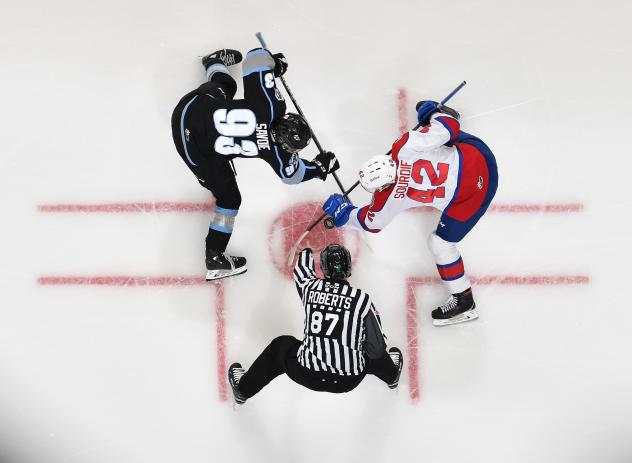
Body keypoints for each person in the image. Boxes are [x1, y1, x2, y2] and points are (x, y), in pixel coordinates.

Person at [322, 101, 498, 326]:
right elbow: (450, 127)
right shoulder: (404, 146)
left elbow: (370, 222)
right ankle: (435, 117)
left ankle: (464, 301)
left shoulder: (389, 198)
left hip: (473, 198)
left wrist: (344, 214)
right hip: (481, 156)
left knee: (440, 244)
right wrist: (432, 113)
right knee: (444, 135)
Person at [171, 48, 339, 280]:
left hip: (188, 111)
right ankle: (215, 257)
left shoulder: (271, 107)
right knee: (229, 198)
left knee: (226, 86)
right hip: (194, 153)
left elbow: (255, 57)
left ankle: (214, 64)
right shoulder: (280, 154)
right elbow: (294, 175)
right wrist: (320, 168)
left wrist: (274, 66)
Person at [227, 244, 403, 404]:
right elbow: (377, 348)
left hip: (307, 373)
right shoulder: (362, 300)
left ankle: (243, 391)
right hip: (349, 380)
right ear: (349, 267)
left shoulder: (312, 289)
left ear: (323, 268)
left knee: (280, 346)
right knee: (371, 349)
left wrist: (307, 251)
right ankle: (392, 377)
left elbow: (301, 271)